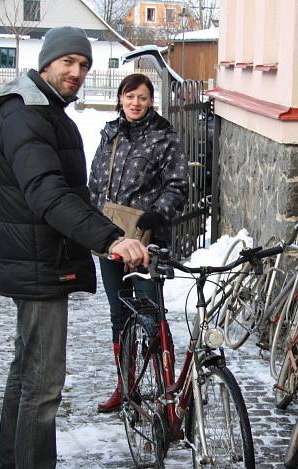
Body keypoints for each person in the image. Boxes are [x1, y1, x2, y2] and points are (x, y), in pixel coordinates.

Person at [0, 27, 149, 469]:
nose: (76, 73)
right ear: (47, 61)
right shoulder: (26, 115)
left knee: (25, 371)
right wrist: (110, 239)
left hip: (38, 258)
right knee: (42, 382)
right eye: (69, 62)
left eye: (85, 65)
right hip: (38, 262)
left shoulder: (41, 109)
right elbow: (48, 194)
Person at [88, 73, 188, 413]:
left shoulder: (164, 138)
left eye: (142, 98)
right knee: (120, 314)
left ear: (150, 102)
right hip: (111, 237)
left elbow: (178, 186)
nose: (135, 103)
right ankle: (125, 385)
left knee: (152, 316)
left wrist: (156, 215)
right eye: (130, 96)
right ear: (120, 98)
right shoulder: (110, 135)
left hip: (147, 241)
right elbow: (95, 182)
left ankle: (168, 394)